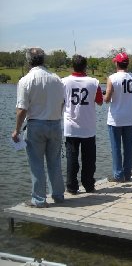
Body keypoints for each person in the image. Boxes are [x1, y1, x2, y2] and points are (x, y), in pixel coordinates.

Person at [11, 48, 65, 207]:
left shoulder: (25, 80)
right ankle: (58, 195)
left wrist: (17, 130)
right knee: (55, 162)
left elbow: (22, 109)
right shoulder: (56, 79)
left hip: (36, 125)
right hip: (55, 124)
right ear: (44, 60)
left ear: (29, 61)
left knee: (36, 164)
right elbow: (61, 103)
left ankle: (39, 199)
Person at [62, 55, 103, 194]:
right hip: (88, 127)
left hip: (71, 127)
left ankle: (72, 186)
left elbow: (60, 102)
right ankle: (89, 185)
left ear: (72, 66)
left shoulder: (63, 82)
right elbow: (100, 101)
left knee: (72, 158)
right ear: (85, 66)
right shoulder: (94, 82)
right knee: (89, 160)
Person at [104, 52, 132, 182]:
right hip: (130, 118)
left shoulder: (112, 78)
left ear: (117, 63)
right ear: (127, 64)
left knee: (116, 148)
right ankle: (128, 174)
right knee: (128, 148)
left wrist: (104, 96)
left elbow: (107, 99)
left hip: (115, 119)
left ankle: (118, 175)